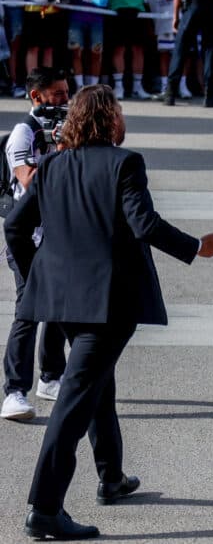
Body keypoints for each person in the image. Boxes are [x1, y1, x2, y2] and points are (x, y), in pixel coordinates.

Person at [5, 84, 213, 540]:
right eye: (121, 112)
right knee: (75, 400)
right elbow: (143, 223)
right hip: (107, 304)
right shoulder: (124, 163)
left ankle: (111, 477)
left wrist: (37, 279)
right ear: (109, 119)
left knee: (96, 384)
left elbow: (15, 225)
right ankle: (43, 507)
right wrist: (196, 248)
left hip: (64, 302)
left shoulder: (51, 164)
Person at [1, 68, 70, 422]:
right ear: (36, 96)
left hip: (56, 232)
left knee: (59, 304)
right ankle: (14, 391)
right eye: (56, 94)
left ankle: (51, 377)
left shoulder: (63, 131)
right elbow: (27, 181)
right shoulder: (23, 133)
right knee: (28, 307)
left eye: (66, 93)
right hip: (26, 236)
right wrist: (58, 152)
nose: (64, 100)